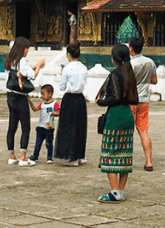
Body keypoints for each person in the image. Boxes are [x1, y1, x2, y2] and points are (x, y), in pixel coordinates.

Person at [95, 44, 139, 203]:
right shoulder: (130, 73)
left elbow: (115, 97)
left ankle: (114, 192)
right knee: (124, 154)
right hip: (128, 115)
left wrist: (100, 102)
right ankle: (120, 190)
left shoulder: (114, 74)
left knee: (109, 154)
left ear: (116, 58)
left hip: (115, 116)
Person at [4, 37, 46, 166]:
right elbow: (32, 76)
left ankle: (11, 155)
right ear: (23, 48)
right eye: (27, 48)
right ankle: (23, 157)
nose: (27, 51)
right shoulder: (22, 61)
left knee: (12, 127)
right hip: (21, 97)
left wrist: (32, 68)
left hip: (10, 96)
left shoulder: (9, 61)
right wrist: (39, 65)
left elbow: (22, 74)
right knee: (25, 127)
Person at [55, 41, 89, 166]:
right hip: (80, 99)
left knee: (68, 127)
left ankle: (70, 157)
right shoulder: (84, 68)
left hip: (69, 99)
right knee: (79, 126)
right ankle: (79, 155)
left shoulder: (67, 68)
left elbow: (62, 86)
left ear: (68, 54)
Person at [128, 36, 156, 171]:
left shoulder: (130, 64)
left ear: (131, 48)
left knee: (128, 131)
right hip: (144, 100)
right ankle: (149, 161)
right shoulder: (150, 62)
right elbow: (154, 80)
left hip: (132, 100)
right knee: (143, 131)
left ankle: (126, 160)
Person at [29, 84, 59, 164]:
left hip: (49, 127)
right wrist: (30, 102)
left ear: (50, 94)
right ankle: (35, 155)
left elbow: (59, 112)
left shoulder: (54, 104)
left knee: (49, 143)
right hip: (40, 126)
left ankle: (49, 157)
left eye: (43, 94)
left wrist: (53, 114)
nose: (42, 96)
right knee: (37, 143)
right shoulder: (42, 104)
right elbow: (35, 109)